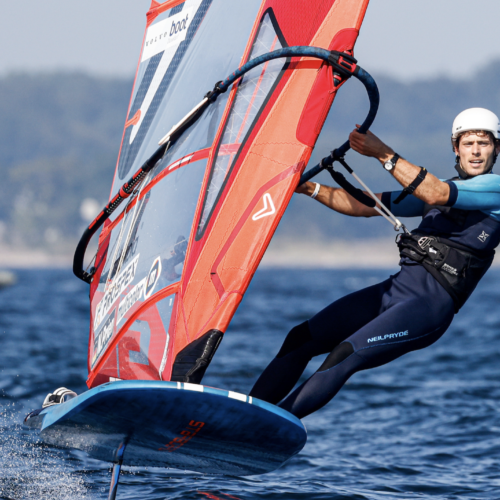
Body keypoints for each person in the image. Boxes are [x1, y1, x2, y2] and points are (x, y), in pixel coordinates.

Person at [249, 108, 500, 419]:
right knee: (300, 338)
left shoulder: (494, 190)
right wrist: (310, 188)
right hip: (393, 292)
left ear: (496, 149)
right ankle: (240, 416)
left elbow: (434, 192)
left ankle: (264, 426)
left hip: (426, 309)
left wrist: (383, 153)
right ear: (456, 148)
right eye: (468, 143)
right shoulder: (436, 190)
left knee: (344, 355)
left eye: (484, 143)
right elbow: (365, 205)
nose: (475, 151)